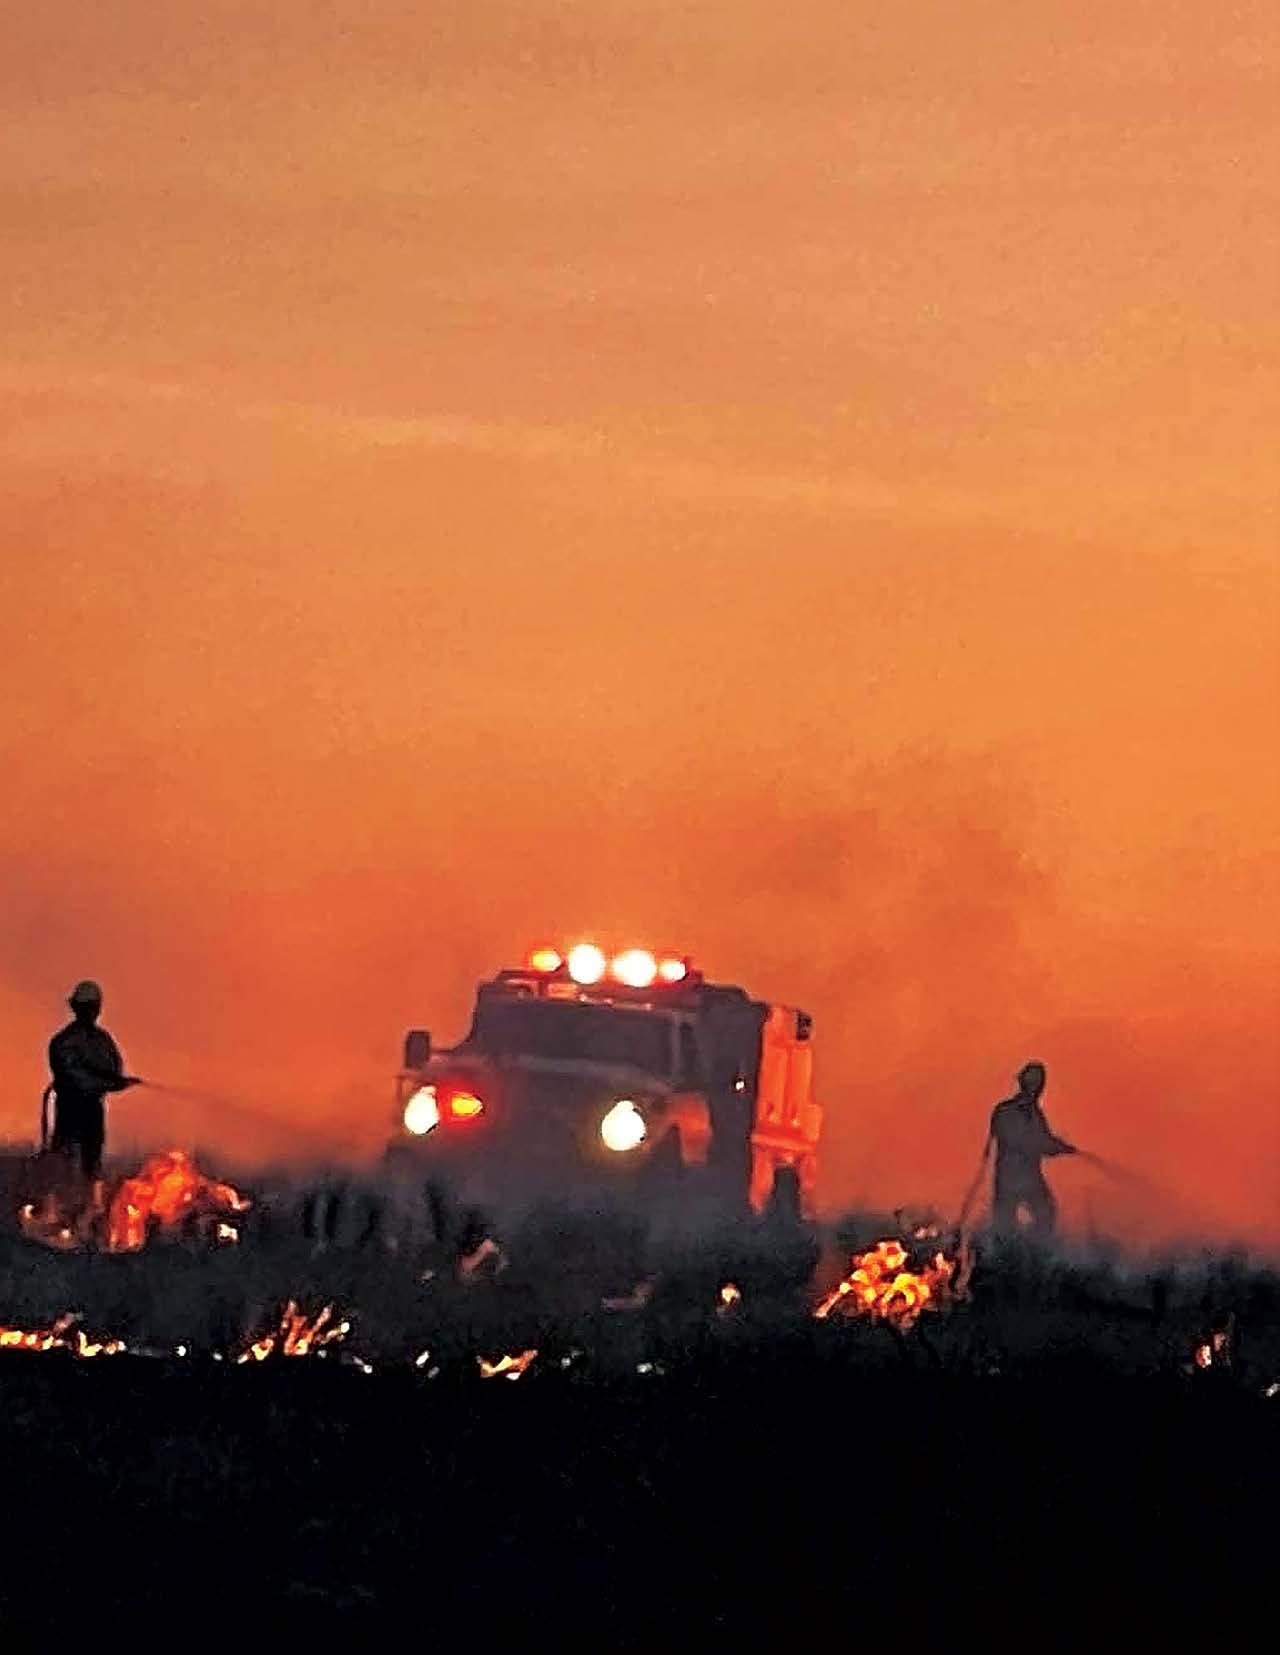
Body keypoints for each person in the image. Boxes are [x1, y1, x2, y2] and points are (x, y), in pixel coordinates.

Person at [48, 980, 142, 1198]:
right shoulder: (64, 1042)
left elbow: (114, 1069)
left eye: (92, 1007)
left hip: (92, 1110)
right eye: (86, 1007)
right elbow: (73, 1079)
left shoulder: (102, 1040)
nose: (90, 1012)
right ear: (76, 1008)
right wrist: (111, 1083)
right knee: (66, 1161)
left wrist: (118, 1082)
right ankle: (61, 1203)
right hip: (70, 1109)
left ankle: (88, 1203)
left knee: (91, 1162)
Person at [984, 1060, 1076, 1239]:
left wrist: (1061, 1146)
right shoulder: (1005, 1111)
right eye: (1034, 1084)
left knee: (1046, 1211)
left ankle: (1035, 1246)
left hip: (1030, 1177)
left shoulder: (1035, 1114)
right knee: (1004, 1225)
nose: (1037, 1089)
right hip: (1008, 1179)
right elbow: (1024, 1141)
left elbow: (1044, 1139)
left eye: (1039, 1084)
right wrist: (1052, 1146)